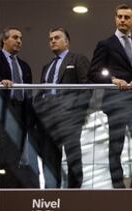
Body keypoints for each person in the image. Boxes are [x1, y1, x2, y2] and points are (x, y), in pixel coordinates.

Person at [88, 4, 132, 188]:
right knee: (116, 147)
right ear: (115, 19)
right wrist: (112, 80)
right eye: (119, 17)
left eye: (126, 17)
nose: (122, 20)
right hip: (116, 102)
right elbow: (93, 73)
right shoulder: (105, 44)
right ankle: (118, 189)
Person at [33, 27, 91, 188]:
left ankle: (74, 192)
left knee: (72, 154)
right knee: (50, 156)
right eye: (50, 39)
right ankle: (52, 191)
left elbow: (87, 86)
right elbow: (42, 91)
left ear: (67, 42)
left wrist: (78, 112)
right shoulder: (47, 66)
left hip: (69, 115)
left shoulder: (78, 59)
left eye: (57, 38)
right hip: (47, 117)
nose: (52, 41)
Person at [0, 27, 37, 188]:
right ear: (4, 40)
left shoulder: (24, 66)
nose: (19, 41)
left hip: (21, 113)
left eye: (21, 38)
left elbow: (29, 94)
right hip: (2, 111)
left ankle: (11, 190)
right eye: (15, 37)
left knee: (16, 154)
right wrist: (1, 82)